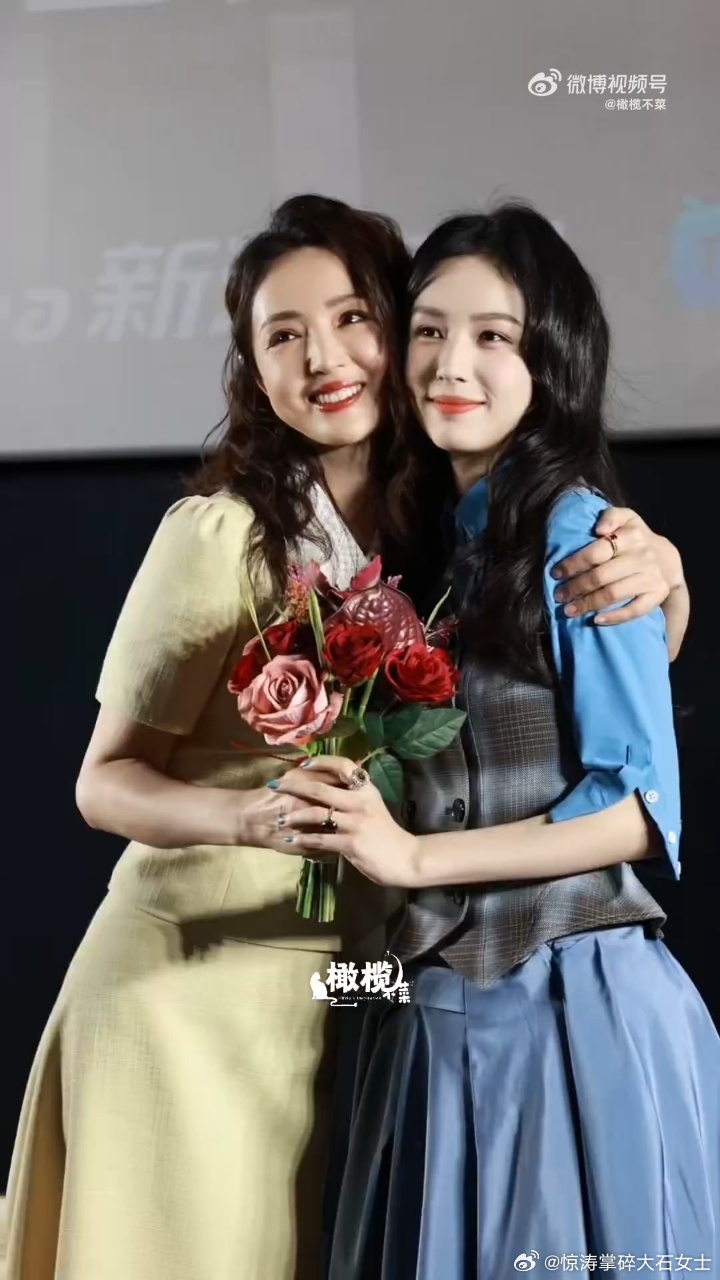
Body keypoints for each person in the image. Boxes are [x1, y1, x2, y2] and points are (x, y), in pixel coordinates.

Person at [5, 194, 687, 1280]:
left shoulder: (441, 531)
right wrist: (256, 815)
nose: (324, 358)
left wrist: (662, 575)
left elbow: (561, 686)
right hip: (197, 979)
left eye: (353, 318)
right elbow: (104, 782)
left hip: (356, 989)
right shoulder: (222, 532)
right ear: (252, 370)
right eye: (283, 335)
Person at [272, 202, 717, 1278]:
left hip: (571, 1006)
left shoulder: (585, 535)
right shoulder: (423, 543)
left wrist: (413, 856)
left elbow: (638, 809)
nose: (450, 364)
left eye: (492, 336)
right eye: (428, 330)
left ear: (550, 361)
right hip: (428, 1010)